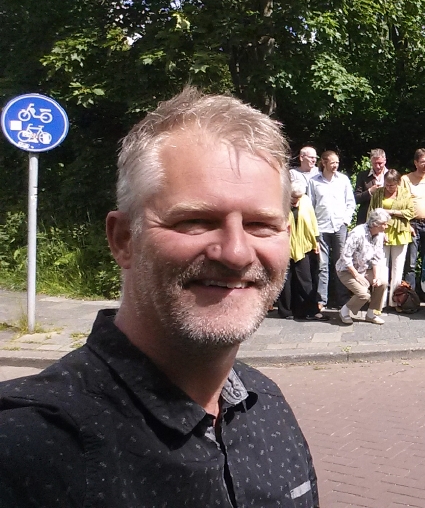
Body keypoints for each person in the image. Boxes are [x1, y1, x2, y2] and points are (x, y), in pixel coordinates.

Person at [0, 88, 319, 506]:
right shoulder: (26, 448)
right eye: (195, 220)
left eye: (261, 225)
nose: (237, 253)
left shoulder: (267, 406)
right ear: (123, 239)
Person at [311, 150, 355, 310]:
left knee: (341, 263)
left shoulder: (343, 180)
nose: (335, 165)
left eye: (337, 162)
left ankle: (342, 299)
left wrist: (345, 221)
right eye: (332, 162)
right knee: (322, 265)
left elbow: (350, 202)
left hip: (339, 226)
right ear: (324, 163)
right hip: (321, 227)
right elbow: (310, 205)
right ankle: (321, 300)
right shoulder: (314, 182)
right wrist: (313, 229)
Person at [277, 180, 324, 320]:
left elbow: (312, 220)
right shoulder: (280, 202)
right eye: (293, 197)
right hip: (285, 245)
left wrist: (316, 240)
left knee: (305, 279)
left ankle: (309, 310)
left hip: (304, 245)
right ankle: (286, 311)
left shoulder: (306, 200)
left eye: (298, 197)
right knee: (286, 280)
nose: (296, 200)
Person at [369, 169, 414, 310]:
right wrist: (377, 233)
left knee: (397, 269)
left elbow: (411, 212)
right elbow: (371, 213)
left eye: (392, 185)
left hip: (400, 233)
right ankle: (379, 302)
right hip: (382, 233)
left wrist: (392, 212)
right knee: (381, 268)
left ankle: (395, 301)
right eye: (386, 185)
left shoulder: (405, 193)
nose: (388, 188)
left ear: (398, 183)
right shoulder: (378, 193)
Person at [337, 208, 391, 325]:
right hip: (346, 270)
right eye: (384, 224)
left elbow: (376, 258)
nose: (386, 226)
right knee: (364, 294)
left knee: (382, 283)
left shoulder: (379, 235)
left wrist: (376, 277)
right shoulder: (357, 233)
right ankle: (344, 311)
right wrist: (357, 276)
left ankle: (371, 314)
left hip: (364, 268)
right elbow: (345, 256)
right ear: (375, 224)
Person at [402, 148, 425, 289]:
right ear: (415, 163)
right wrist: (407, 224)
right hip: (412, 224)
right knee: (410, 263)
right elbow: (401, 202)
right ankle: (410, 295)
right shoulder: (406, 179)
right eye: (423, 162)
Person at [354, 148, 387, 225]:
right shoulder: (363, 176)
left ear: (385, 160)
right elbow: (356, 198)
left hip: (386, 218)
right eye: (375, 163)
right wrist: (370, 192)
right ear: (371, 161)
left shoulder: (391, 175)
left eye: (380, 163)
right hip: (366, 219)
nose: (377, 166)